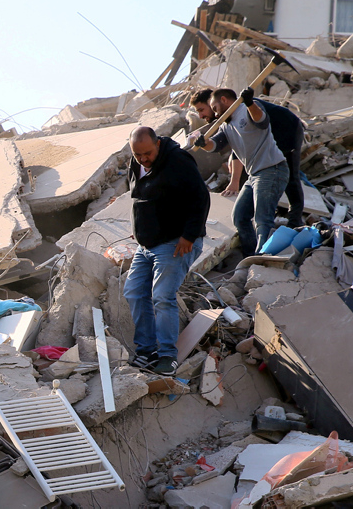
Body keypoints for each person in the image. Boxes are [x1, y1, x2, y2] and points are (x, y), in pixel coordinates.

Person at [123, 126, 210, 375]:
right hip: (147, 244)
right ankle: (146, 351)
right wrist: (140, 228)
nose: (143, 159)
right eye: (137, 155)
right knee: (134, 292)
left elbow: (200, 197)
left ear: (158, 144)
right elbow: (141, 198)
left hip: (175, 241)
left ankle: (167, 356)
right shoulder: (137, 160)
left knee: (162, 296)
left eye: (147, 153)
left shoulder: (177, 161)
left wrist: (189, 235)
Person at [193, 87, 290, 256]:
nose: (215, 114)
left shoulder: (247, 110)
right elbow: (215, 145)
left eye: (215, 108)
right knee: (240, 217)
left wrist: (250, 103)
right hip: (254, 175)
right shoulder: (226, 124)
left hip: (271, 169)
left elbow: (262, 121)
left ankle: (263, 259)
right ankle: (251, 255)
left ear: (224, 100)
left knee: (262, 219)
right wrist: (203, 143)